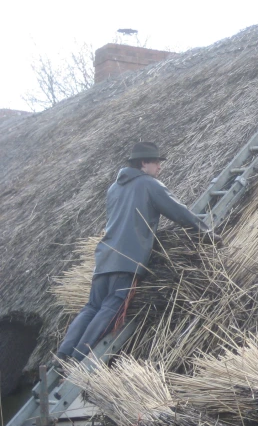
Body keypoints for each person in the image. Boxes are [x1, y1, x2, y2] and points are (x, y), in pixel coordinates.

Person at [57, 142, 217, 362]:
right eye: (156, 162)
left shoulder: (114, 188)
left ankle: (64, 352)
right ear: (144, 163)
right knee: (112, 305)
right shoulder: (149, 184)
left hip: (104, 256)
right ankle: (79, 357)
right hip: (127, 259)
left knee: (92, 306)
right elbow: (178, 212)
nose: (159, 167)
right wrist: (207, 232)